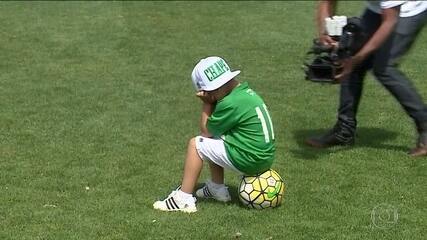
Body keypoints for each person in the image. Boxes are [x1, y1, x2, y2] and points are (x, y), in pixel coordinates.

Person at [153, 56, 276, 213]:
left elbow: (205, 131)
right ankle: (217, 189)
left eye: (209, 92)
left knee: (196, 144)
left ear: (215, 88)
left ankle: (182, 199)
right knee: (216, 138)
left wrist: (207, 103)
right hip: (264, 157)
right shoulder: (244, 92)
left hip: (251, 160)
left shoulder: (229, 102)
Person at [306, 0, 427, 157]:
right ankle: (344, 130)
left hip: (409, 9)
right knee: (348, 53)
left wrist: (357, 58)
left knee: (384, 68)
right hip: (377, 8)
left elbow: (389, 22)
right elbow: (326, 2)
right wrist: (325, 34)